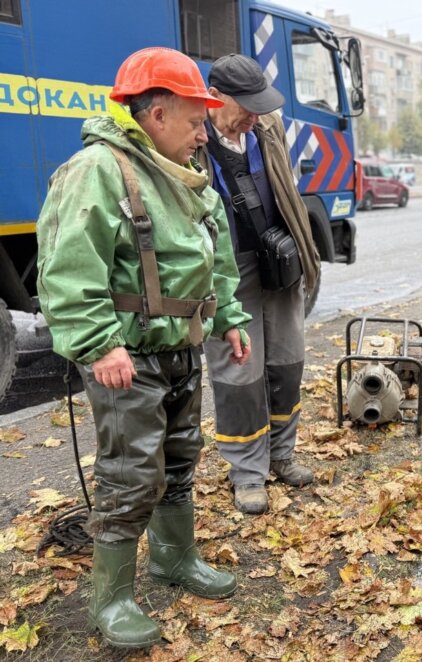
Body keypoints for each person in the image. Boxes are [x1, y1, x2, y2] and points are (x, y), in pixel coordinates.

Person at [36, 47, 252, 648]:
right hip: (128, 358)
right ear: (156, 115)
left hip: (181, 352)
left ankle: (174, 559)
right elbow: (65, 268)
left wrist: (229, 317)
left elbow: (218, 261)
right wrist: (97, 345)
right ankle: (112, 600)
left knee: (180, 459)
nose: (204, 132)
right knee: (130, 476)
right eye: (194, 120)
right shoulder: (100, 170)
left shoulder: (186, 177)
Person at [196, 54, 321, 514]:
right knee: (240, 373)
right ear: (214, 98)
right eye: (245, 105)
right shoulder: (195, 139)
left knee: (288, 361)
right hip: (229, 269)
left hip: (280, 261)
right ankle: (248, 472)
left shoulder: (265, 127)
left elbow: (286, 186)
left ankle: (282, 455)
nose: (254, 114)